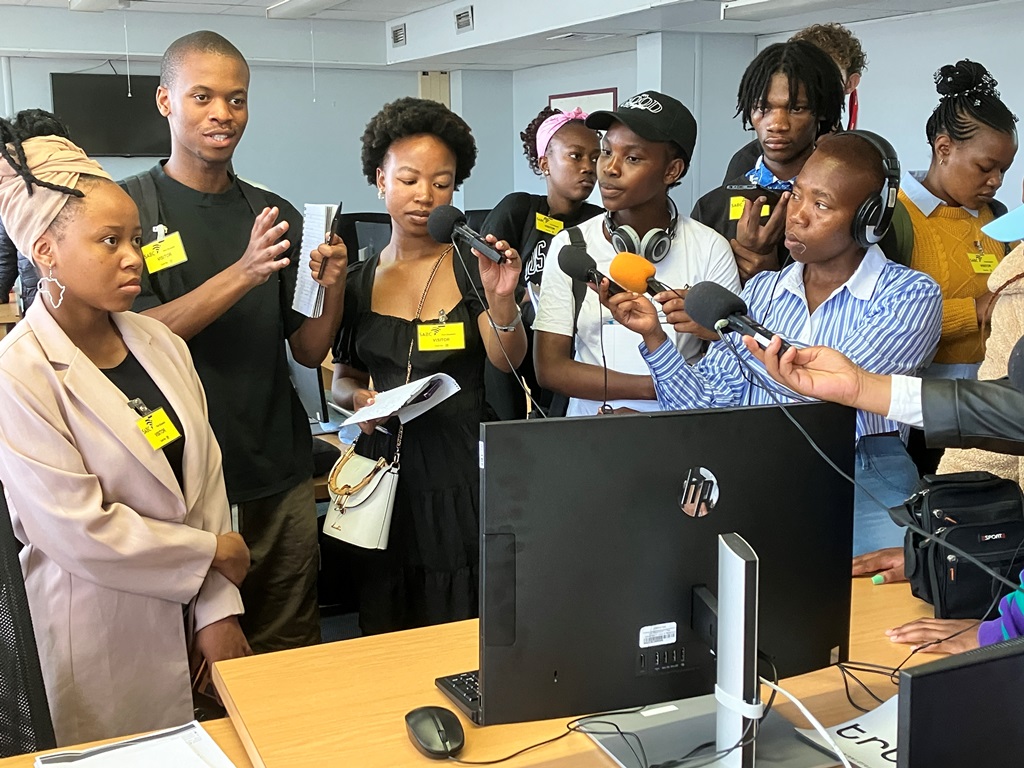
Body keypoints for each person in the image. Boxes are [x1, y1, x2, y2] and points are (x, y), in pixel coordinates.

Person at [0, 119, 251, 744]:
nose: (134, 257)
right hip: (97, 634)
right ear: (46, 251)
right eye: (108, 241)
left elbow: (206, 479)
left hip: (196, 616)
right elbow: (78, 529)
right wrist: (210, 556)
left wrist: (218, 608)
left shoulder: (158, 341)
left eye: (135, 237)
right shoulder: (21, 373)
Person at [605, 134, 942, 555]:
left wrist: (740, 337)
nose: (797, 216)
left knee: (875, 613)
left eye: (820, 205)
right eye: (797, 195)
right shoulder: (761, 291)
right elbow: (707, 406)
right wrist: (655, 338)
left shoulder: (911, 294)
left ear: (867, 220)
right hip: (759, 467)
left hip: (864, 472)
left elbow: (828, 391)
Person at [120, 31, 348, 653]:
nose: (223, 113)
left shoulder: (273, 215)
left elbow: (305, 348)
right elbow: (135, 338)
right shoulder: (128, 211)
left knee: (288, 647)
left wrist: (332, 287)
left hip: (275, 471)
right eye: (203, 96)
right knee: (191, 659)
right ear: (166, 102)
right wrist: (243, 272)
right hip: (175, 484)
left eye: (237, 99)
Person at [331, 97, 525, 634]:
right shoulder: (359, 281)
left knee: (460, 610)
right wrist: (358, 402)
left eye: (442, 183)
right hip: (385, 470)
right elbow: (343, 379)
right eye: (410, 179)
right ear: (380, 180)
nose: (425, 196)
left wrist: (502, 300)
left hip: (460, 466)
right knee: (388, 610)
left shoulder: (472, 265)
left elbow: (506, 361)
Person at [533, 90, 741, 417]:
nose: (609, 169)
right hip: (589, 436)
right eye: (606, 152)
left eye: (632, 158)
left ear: (672, 171)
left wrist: (707, 331)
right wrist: (658, 384)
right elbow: (550, 368)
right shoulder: (571, 246)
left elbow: (736, 360)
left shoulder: (710, 248)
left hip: (676, 432)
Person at [898, 60, 1018, 474]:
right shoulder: (896, 219)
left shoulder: (996, 219)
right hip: (920, 412)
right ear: (944, 148)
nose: (997, 181)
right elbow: (889, 321)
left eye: (1005, 169)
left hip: (988, 407)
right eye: (986, 168)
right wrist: (979, 309)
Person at [481, 106, 602, 419]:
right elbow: (480, 281)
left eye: (595, 157)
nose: (588, 167)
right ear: (545, 163)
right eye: (576, 156)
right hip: (513, 342)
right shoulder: (518, 209)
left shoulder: (599, 223)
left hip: (569, 350)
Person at [695, 40, 846, 284]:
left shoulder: (846, 205)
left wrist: (773, 280)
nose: (777, 124)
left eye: (796, 109)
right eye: (762, 107)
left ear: (822, 112)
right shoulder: (712, 207)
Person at [722, 22, 868, 183]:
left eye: (826, 76)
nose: (811, 84)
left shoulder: (861, 159)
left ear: (850, 83)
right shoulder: (748, 160)